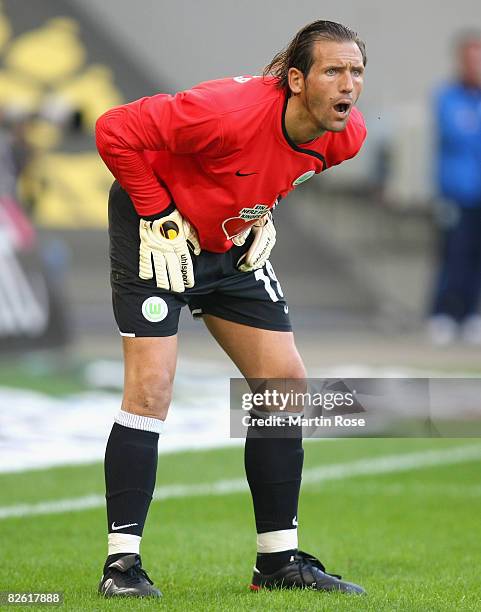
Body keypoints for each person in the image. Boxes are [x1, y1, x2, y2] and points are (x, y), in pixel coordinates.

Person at [95, 19, 367, 598]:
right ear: (296, 79)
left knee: (284, 384)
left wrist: (261, 212)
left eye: (357, 71)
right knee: (150, 390)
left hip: (229, 245)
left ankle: (277, 564)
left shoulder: (345, 136)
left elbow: (271, 170)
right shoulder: (225, 110)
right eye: (334, 71)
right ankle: (121, 569)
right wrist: (157, 211)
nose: (349, 85)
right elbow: (113, 128)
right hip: (157, 236)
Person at [429, 32, 481, 345]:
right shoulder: (447, 96)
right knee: (453, 255)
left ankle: (472, 315)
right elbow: (458, 135)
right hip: (455, 194)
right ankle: (443, 314)